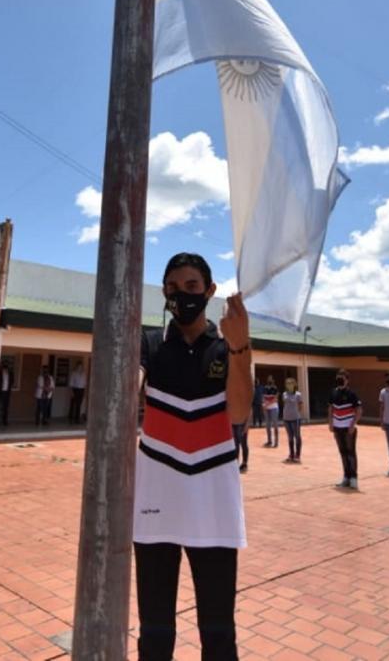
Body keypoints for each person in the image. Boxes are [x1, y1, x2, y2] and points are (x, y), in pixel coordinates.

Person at [134, 252, 250, 661]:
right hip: (154, 506)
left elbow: (238, 412)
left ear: (210, 291)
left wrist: (241, 347)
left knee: (218, 632)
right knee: (155, 632)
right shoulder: (148, 344)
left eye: (191, 287)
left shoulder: (226, 348)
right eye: (172, 288)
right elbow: (129, 393)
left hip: (213, 506)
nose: (181, 296)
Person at [329, 372, 362, 489]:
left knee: (351, 452)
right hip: (337, 427)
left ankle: (353, 478)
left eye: (342, 379)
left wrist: (353, 424)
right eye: (338, 378)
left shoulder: (351, 394)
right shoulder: (334, 392)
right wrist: (331, 423)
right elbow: (331, 408)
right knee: (342, 452)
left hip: (348, 428)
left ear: (347, 380)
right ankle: (346, 477)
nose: (340, 380)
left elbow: (359, 410)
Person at [281, 377, 304, 464]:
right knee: (290, 437)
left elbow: (301, 405)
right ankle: (291, 454)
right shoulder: (284, 394)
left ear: (294, 384)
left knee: (297, 436)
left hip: (295, 419)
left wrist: (297, 414)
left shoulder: (298, 394)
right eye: (287, 383)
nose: (289, 385)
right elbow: (285, 404)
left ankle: (297, 455)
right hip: (286, 418)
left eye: (291, 383)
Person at [261, 376, 280, 448]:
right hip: (266, 408)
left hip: (274, 408)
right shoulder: (265, 388)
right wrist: (264, 404)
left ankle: (276, 442)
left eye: (270, 379)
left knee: (275, 425)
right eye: (268, 379)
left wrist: (267, 404)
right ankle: (269, 441)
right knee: (268, 425)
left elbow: (276, 398)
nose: (269, 380)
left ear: (273, 380)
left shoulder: (275, 388)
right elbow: (263, 397)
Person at [0, 360, 12, 426]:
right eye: (4, 365)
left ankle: (4, 421)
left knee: (5, 407)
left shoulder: (10, 373)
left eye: (7, 365)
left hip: (6, 392)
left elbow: (12, 381)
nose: (6, 366)